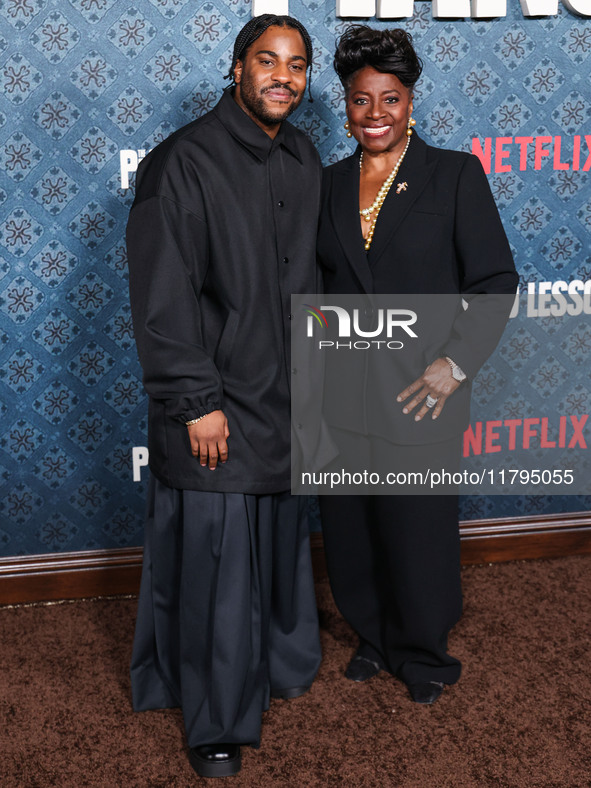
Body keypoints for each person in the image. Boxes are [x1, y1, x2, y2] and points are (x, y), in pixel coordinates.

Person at [126, 15, 322, 778]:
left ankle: (273, 666)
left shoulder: (303, 156)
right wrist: (192, 401)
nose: (283, 76)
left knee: (271, 551)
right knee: (216, 570)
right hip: (213, 405)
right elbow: (163, 296)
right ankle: (214, 722)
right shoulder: (181, 162)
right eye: (266, 60)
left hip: (282, 398)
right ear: (235, 67)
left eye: (297, 64)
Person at [316, 26, 518, 705]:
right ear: (343, 107)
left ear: (411, 103)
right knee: (351, 527)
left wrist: (453, 366)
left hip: (420, 391)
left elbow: (492, 282)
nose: (374, 114)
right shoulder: (326, 184)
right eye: (359, 100)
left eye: (390, 99)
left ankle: (423, 651)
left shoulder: (455, 174)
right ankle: (373, 635)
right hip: (340, 392)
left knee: (417, 530)